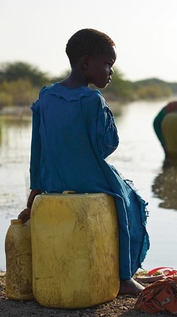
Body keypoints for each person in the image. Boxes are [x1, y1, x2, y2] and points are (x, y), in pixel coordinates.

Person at [18, 28, 149, 295]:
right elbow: (107, 146)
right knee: (127, 201)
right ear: (86, 63)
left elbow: (37, 147)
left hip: (52, 179)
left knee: (123, 196)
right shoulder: (92, 99)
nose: (111, 72)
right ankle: (124, 276)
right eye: (108, 64)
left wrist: (35, 189)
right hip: (88, 176)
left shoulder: (46, 95)